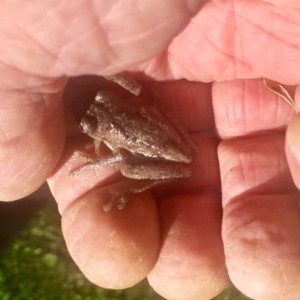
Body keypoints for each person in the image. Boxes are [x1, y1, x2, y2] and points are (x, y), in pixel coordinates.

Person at [1, 1, 300, 299]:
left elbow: (117, 155)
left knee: (129, 168)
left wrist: (98, 165)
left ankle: (139, 185)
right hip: (160, 129)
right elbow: (135, 93)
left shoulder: (107, 131)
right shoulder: (111, 102)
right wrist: (108, 73)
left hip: (161, 147)